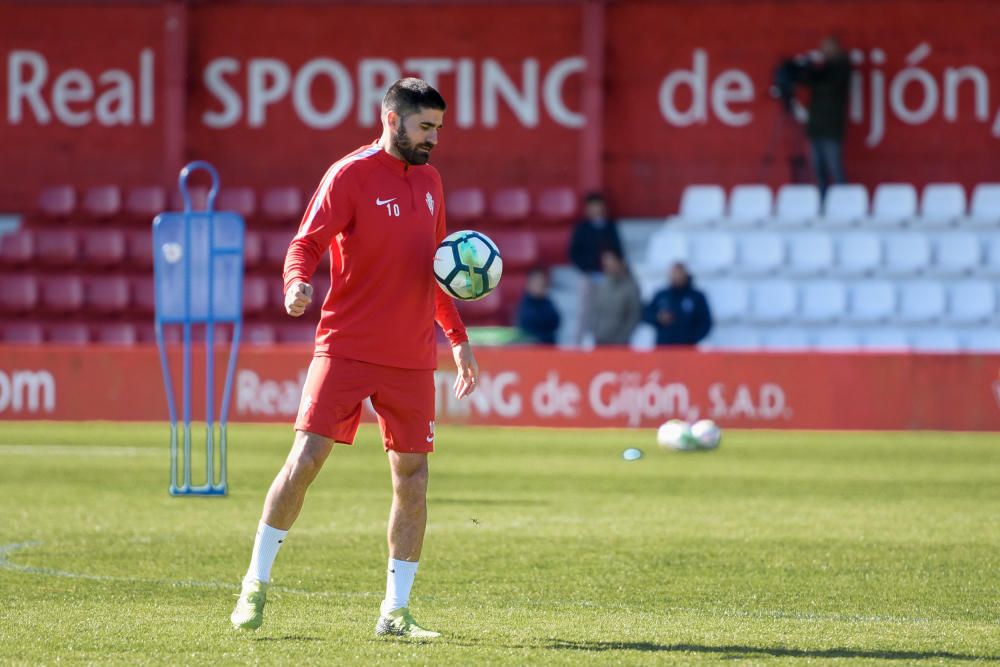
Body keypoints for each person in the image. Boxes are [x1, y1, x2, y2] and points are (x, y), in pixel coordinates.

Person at [229, 78, 479, 639]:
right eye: (425, 127)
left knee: (412, 477)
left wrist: (457, 339)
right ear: (392, 119)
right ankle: (254, 583)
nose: (434, 139)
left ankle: (395, 611)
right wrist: (296, 284)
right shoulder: (350, 175)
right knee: (306, 459)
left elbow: (438, 273)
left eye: (438, 128)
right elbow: (305, 242)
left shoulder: (433, 182)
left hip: (412, 357)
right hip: (345, 346)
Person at [798, 36, 851, 196]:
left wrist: (814, 70)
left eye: (828, 48)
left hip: (831, 128)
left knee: (835, 168)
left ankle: (845, 203)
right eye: (823, 48)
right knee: (818, 171)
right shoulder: (822, 68)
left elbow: (828, 86)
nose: (825, 52)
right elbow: (807, 81)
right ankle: (823, 205)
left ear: (837, 48)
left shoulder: (842, 67)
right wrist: (806, 67)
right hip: (816, 127)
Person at [642, 262, 712, 346]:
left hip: (686, 349)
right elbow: (646, 314)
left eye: (679, 274)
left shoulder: (696, 297)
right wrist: (658, 317)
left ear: (686, 274)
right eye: (674, 273)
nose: (676, 277)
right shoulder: (661, 295)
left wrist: (691, 339)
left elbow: (706, 322)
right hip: (663, 348)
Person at [585, 249, 641, 345]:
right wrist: (595, 331)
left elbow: (633, 316)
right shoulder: (603, 284)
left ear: (620, 263)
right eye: (605, 263)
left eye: (610, 262)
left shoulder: (631, 287)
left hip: (619, 344)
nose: (607, 266)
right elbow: (595, 310)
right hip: (599, 340)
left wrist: (622, 338)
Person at [568, 192, 624, 275]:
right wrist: (588, 267)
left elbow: (618, 249)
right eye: (592, 207)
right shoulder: (581, 228)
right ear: (586, 209)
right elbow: (574, 253)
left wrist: (614, 260)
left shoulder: (611, 226)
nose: (596, 209)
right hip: (588, 272)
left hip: (611, 271)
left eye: (598, 206)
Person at [516, 267, 560, 344]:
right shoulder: (525, 304)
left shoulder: (548, 302)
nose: (539, 285)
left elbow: (556, 321)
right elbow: (528, 324)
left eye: (541, 282)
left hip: (548, 343)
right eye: (536, 282)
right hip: (531, 344)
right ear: (529, 284)